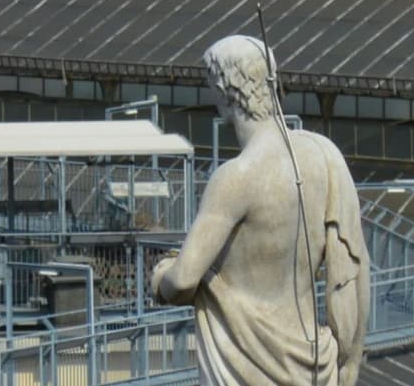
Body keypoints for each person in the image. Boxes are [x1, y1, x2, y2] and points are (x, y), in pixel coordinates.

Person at [151, 34, 368, 386]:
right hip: (314, 362)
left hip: (247, 367)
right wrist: (352, 355)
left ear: (224, 91)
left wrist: (160, 277)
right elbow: (354, 265)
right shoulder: (324, 157)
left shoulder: (236, 178)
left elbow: (182, 281)